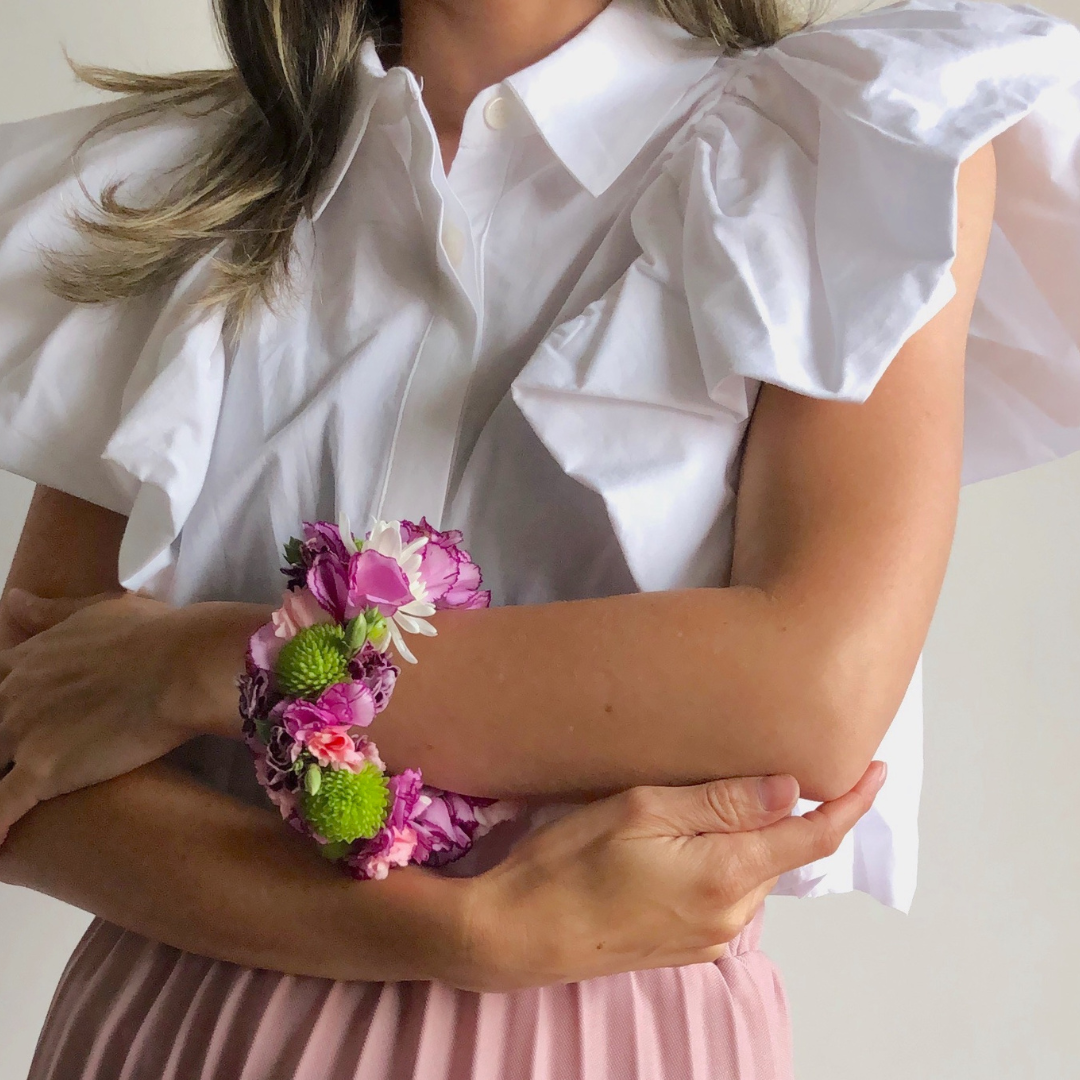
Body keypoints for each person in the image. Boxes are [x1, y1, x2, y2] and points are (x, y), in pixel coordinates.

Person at [1, 0, 1079, 1075]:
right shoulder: (183, 190)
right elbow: (30, 750)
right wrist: (466, 935)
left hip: (597, 1040)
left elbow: (814, 692)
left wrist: (203, 665)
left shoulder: (841, 150)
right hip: (168, 1029)